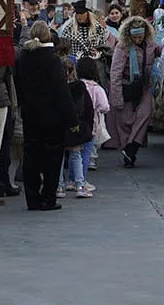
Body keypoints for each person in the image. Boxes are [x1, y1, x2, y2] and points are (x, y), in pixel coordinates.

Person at [13, 24, 70, 211]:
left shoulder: (23, 58)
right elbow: (61, 91)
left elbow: (19, 85)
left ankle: (32, 198)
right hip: (52, 116)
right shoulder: (52, 60)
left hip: (30, 113)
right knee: (52, 159)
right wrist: (71, 118)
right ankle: (48, 197)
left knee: (31, 156)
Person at [107, 15, 157, 167]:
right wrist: (117, 99)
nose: (138, 40)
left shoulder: (150, 45)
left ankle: (132, 148)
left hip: (144, 87)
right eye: (135, 37)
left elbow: (161, 50)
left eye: (140, 37)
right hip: (126, 88)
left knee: (145, 115)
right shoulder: (122, 48)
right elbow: (115, 73)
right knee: (126, 122)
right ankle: (128, 149)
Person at [65, 56, 108, 197]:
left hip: (75, 124)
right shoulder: (97, 88)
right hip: (91, 126)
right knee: (85, 155)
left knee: (74, 153)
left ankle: (70, 180)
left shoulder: (73, 85)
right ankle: (81, 181)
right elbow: (104, 106)